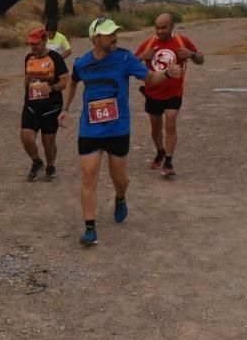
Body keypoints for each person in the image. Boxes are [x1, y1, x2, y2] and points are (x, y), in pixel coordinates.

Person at [60, 17, 181, 246]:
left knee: (120, 178)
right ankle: (90, 228)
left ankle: (120, 197)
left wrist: (167, 73)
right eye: (109, 34)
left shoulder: (125, 58)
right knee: (89, 175)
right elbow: (73, 82)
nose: (115, 37)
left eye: (115, 33)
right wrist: (65, 108)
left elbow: (150, 78)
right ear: (96, 38)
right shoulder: (82, 63)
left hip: (118, 128)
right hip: (90, 129)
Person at [135, 13, 205, 177]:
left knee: (171, 123)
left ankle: (168, 161)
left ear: (172, 26)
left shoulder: (182, 41)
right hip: (152, 92)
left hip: (174, 92)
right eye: (157, 28)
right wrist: (141, 57)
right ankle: (160, 151)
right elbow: (129, 62)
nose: (160, 31)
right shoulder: (149, 44)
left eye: (164, 27)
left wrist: (191, 55)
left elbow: (201, 59)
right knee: (155, 128)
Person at [21, 26, 70, 182]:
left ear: (45, 40)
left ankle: (50, 166)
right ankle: (37, 162)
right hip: (31, 104)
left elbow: (64, 81)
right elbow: (27, 77)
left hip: (51, 106)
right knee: (26, 138)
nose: (33, 46)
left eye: (36, 43)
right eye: (31, 43)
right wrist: (27, 91)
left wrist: (52, 87)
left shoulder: (55, 58)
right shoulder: (29, 58)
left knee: (48, 140)